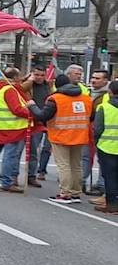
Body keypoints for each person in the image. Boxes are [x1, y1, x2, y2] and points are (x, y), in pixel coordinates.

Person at [28, 69, 92, 203]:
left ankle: (65, 193)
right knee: (76, 165)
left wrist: (32, 106)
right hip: (80, 135)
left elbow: (42, 116)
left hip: (61, 135)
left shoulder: (55, 99)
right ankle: (75, 192)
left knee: (64, 165)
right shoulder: (86, 98)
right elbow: (90, 117)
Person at [0, 66, 31, 193]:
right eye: (19, 76)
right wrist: (31, 112)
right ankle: (7, 182)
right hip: (10, 127)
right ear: (15, 77)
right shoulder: (9, 90)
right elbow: (16, 109)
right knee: (10, 155)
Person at [23, 63, 53, 187]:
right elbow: (21, 89)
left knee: (46, 148)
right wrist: (29, 80)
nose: (39, 77)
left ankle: (37, 172)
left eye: (42, 75)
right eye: (36, 75)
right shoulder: (28, 84)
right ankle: (30, 175)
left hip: (46, 120)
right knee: (33, 150)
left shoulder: (48, 85)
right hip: (32, 120)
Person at [91, 79, 118, 214]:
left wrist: (96, 142)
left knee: (110, 177)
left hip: (107, 147)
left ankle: (112, 204)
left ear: (110, 92)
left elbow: (98, 129)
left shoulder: (104, 107)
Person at [83, 68, 111, 196]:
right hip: (87, 129)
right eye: (93, 77)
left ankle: (101, 185)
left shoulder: (108, 95)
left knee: (103, 160)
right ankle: (82, 181)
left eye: (97, 78)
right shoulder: (87, 91)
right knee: (85, 157)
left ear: (106, 80)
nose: (93, 80)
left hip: (104, 132)